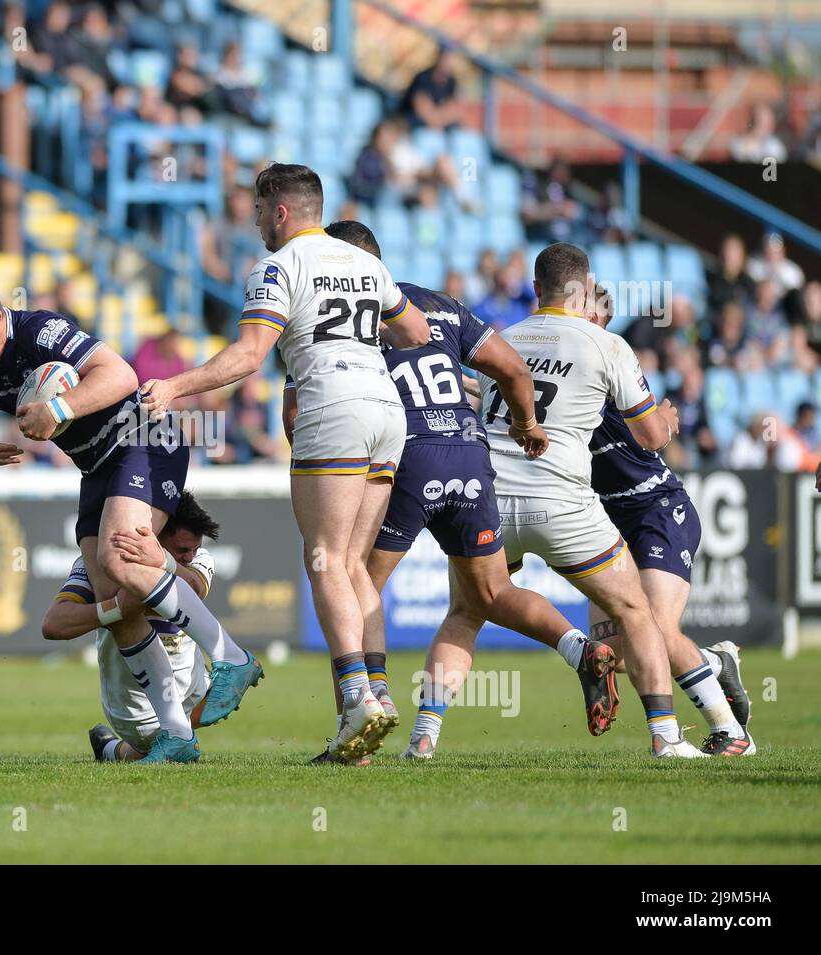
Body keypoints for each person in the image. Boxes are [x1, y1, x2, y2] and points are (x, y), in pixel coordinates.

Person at [286, 220, 619, 763]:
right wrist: (526, 423)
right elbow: (511, 368)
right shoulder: (439, 305)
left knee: (352, 577)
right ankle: (578, 647)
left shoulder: (329, 312)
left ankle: (366, 710)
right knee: (487, 594)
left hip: (405, 455)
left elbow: (294, 414)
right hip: (468, 451)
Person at [139, 163, 434, 761]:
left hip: (334, 408)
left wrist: (174, 386)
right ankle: (375, 694)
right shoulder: (366, 263)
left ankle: (357, 701)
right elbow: (418, 332)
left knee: (324, 556)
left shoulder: (278, 266)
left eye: (256, 209)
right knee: (354, 563)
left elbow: (249, 355)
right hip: (387, 410)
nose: (252, 220)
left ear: (280, 211)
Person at [0, 275, 261, 764]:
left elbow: (118, 374)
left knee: (120, 554)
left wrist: (57, 407)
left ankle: (231, 657)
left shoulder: (38, 332)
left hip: (144, 439)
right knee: (113, 600)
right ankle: (177, 735)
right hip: (96, 466)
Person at [474, 242, 704, 757]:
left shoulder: (500, 341)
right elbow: (648, 436)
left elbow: (485, 408)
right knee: (635, 610)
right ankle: (666, 738)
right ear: (583, 290)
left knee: (470, 607)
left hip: (491, 500)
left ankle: (420, 735)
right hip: (564, 503)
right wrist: (666, 422)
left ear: (535, 290)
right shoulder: (606, 345)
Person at [585, 288, 753, 755]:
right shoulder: (561, 361)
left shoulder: (611, 360)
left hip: (657, 506)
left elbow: (653, 432)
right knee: (617, 654)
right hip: (607, 517)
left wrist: (660, 419)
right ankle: (715, 662)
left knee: (655, 627)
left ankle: (731, 731)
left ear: (595, 318)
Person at [42, 491, 221, 760]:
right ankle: (116, 749)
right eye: (183, 550)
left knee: (232, 684)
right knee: (167, 750)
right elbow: (54, 625)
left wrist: (161, 562)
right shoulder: (100, 568)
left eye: (194, 549)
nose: (190, 557)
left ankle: (114, 749)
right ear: (154, 536)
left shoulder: (196, 560)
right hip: (138, 711)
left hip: (195, 690)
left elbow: (193, 588)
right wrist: (114, 610)